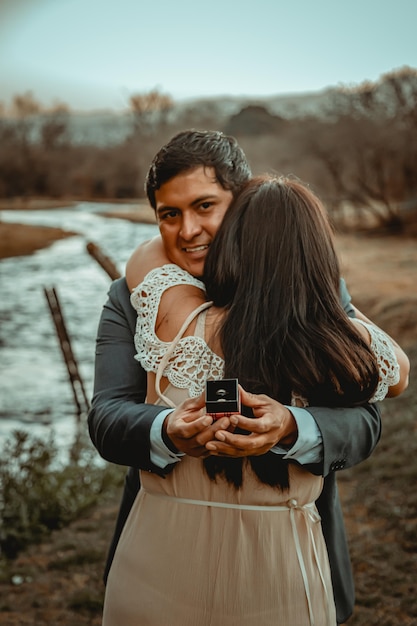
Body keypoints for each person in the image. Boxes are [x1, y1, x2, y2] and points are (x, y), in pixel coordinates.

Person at [87, 130, 399, 624]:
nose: (188, 230)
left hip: (284, 551)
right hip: (163, 545)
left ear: (244, 203)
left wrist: (294, 426)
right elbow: (106, 416)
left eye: (205, 206)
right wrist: (165, 430)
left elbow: (365, 419)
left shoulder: (307, 285)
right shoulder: (133, 296)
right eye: (170, 214)